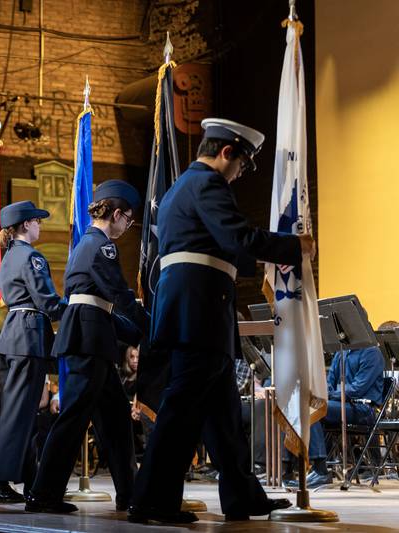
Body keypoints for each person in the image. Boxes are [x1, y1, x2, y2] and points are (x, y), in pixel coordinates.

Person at [130, 118, 315, 524]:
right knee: (181, 412)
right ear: (226, 152)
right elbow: (238, 238)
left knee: (224, 417)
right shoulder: (208, 184)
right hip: (200, 311)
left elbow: (221, 246)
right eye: (242, 165)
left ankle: (242, 497)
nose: (240, 174)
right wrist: (294, 247)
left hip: (196, 310)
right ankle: (152, 500)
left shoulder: (182, 187)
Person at [26, 180, 146, 514]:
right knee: (73, 419)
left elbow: (101, 306)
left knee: (117, 421)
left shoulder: (86, 243)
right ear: (117, 214)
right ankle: (43, 494)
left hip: (93, 338)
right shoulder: (101, 246)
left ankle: (130, 494)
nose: (127, 227)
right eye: (128, 220)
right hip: (89, 341)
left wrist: (139, 330)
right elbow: (119, 295)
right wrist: (151, 324)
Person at [0, 201, 67, 503]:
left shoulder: (10, 256)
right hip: (28, 336)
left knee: (24, 413)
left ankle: (30, 480)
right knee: (20, 414)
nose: (39, 226)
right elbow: (47, 301)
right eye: (37, 221)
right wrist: (77, 309)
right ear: (25, 225)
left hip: (15, 335)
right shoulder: (31, 256)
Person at [285, 345, 384, 488]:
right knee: (294, 406)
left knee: (311, 407)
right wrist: (326, 392)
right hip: (339, 404)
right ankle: (287, 469)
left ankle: (320, 470)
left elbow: (357, 389)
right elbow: (329, 383)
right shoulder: (341, 351)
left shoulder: (372, 352)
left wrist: (329, 394)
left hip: (363, 408)